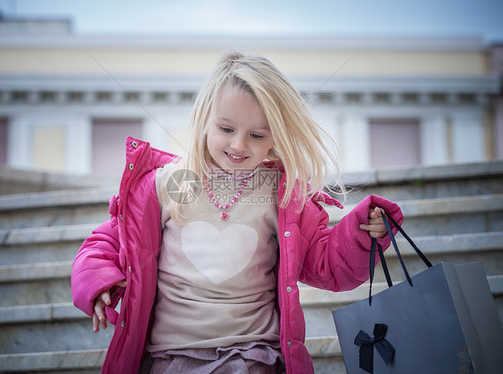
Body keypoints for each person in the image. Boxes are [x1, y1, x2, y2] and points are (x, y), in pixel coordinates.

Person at [71, 51, 403, 374]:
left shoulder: (282, 193)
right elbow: (108, 242)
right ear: (204, 121)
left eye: (256, 135)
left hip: (254, 354)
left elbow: (325, 264)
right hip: (171, 355)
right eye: (226, 129)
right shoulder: (165, 184)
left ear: (275, 137)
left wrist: (361, 233)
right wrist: (99, 281)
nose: (239, 145)